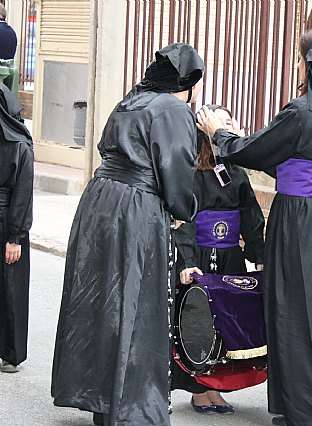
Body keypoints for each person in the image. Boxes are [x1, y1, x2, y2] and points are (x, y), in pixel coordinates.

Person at [197, 29, 312, 426]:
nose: (296, 66)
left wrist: (220, 134)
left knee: (293, 311)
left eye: (299, 59)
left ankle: (309, 408)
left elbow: (256, 151)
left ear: (311, 64)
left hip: (299, 220)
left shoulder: (303, 111)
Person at [51, 43, 204, 426]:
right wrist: (183, 210)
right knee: (137, 304)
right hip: (135, 208)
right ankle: (132, 406)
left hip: (100, 202)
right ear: (187, 83)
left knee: (100, 302)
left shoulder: (130, 100)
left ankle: (102, 397)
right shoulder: (173, 109)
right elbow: (176, 169)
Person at [171, 104, 265, 415]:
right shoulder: (189, 169)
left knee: (225, 321)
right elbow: (182, 217)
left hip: (229, 257)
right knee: (197, 321)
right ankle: (199, 388)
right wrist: (185, 262)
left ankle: (216, 387)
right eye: (220, 122)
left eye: (229, 122)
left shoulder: (235, 170)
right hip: (198, 253)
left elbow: (251, 215)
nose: (227, 127)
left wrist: (258, 254)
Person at [0, 83, 33, 375]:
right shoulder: (16, 142)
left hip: (8, 219)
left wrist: (15, 236)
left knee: (9, 288)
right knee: (8, 287)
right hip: (7, 219)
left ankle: (9, 351)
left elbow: (21, 194)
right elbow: (22, 194)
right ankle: (8, 350)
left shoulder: (18, 145)